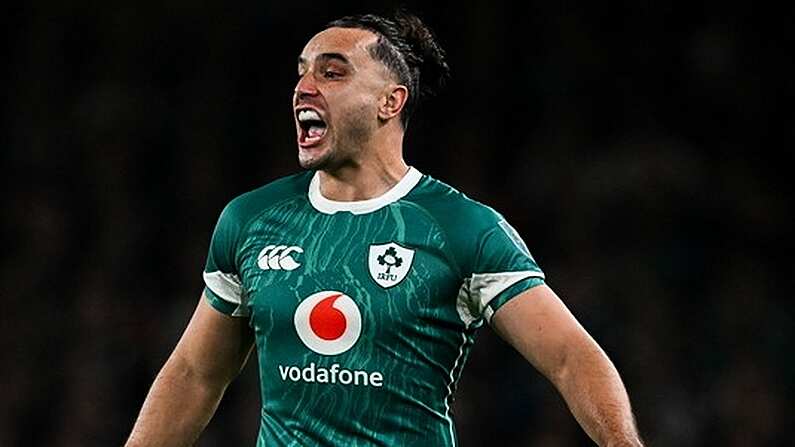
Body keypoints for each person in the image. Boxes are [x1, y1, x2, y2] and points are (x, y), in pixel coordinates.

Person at [125, 11, 644, 447]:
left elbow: (571, 359)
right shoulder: (251, 219)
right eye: (301, 73)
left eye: (332, 73)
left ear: (389, 102)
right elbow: (197, 373)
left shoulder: (462, 228)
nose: (304, 88)